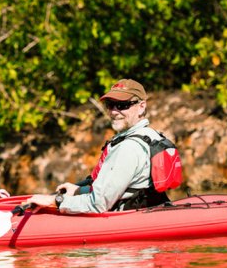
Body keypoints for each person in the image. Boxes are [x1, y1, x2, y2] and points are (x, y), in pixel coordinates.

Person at [24, 79, 174, 213]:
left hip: (124, 220)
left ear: (141, 107)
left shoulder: (128, 148)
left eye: (122, 105)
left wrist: (54, 201)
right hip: (147, 207)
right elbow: (122, 189)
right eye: (110, 105)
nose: (114, 112)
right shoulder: (152, 135)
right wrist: (77, 190)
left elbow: (98, 204)